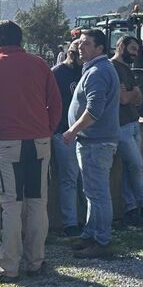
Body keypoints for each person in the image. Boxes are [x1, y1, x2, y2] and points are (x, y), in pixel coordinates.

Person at [0, 21, 62, 281]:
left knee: (11, 205)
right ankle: (36, 262)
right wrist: (46, 129)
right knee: (37, 202)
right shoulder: (40, 65)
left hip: (8, 143)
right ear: (20, 39)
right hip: (39, 142)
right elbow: (56, 105)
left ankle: (9, 267)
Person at [62, 28, 121, 258]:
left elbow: (94, 110)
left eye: (86, 43)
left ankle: (102, 241)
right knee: (92, 192)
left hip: (96, 142)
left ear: (100, 48)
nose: (79, 46)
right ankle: (90, 234)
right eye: (79, 42)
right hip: (93, 141)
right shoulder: (97, 69)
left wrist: (71, 132)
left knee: (97, 193)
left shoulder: (98, 72)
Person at [111, 35, 143, 227]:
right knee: (137, 166)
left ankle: (131, 209)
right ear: (121, 46)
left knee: (131, 168)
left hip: (133, 122)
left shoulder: (127, 69)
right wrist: (131, 94)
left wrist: (132, 94)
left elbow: (138, 99)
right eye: (132, 49)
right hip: (121, 125)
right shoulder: (112, 68)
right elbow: (123, 99)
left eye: (137, 50)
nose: (135, 53)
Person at [51, 41, 82, 237]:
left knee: (86, 179)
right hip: (63, 131)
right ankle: (70, 222)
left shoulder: (87, 71)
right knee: (69, 177)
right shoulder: (57, 73)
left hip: (85, 132)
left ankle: (88, 219)